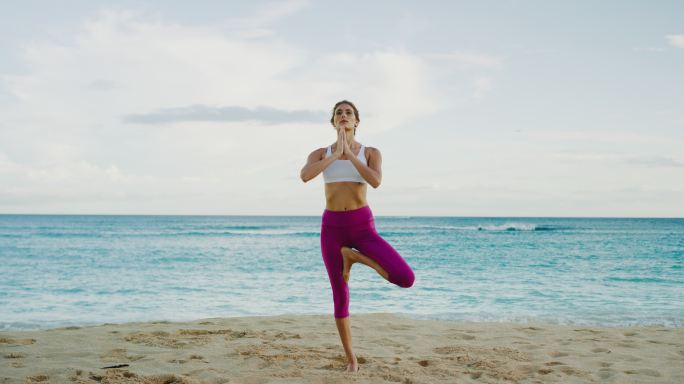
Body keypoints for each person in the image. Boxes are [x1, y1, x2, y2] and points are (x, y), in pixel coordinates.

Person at [299, 100, 416, 373]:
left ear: (356, 122)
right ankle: (351, 359)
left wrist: (350, 155)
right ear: (333, 122)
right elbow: (305, 176)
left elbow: (375, 181)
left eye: (348, 113)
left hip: (362, 225)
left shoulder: (370, 152)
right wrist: (334, 154)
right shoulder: (320, 153)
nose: (343, 116)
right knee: (340, 296)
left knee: (405, 278)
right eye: (338, 113)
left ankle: (354, 257)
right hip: (332, 228)